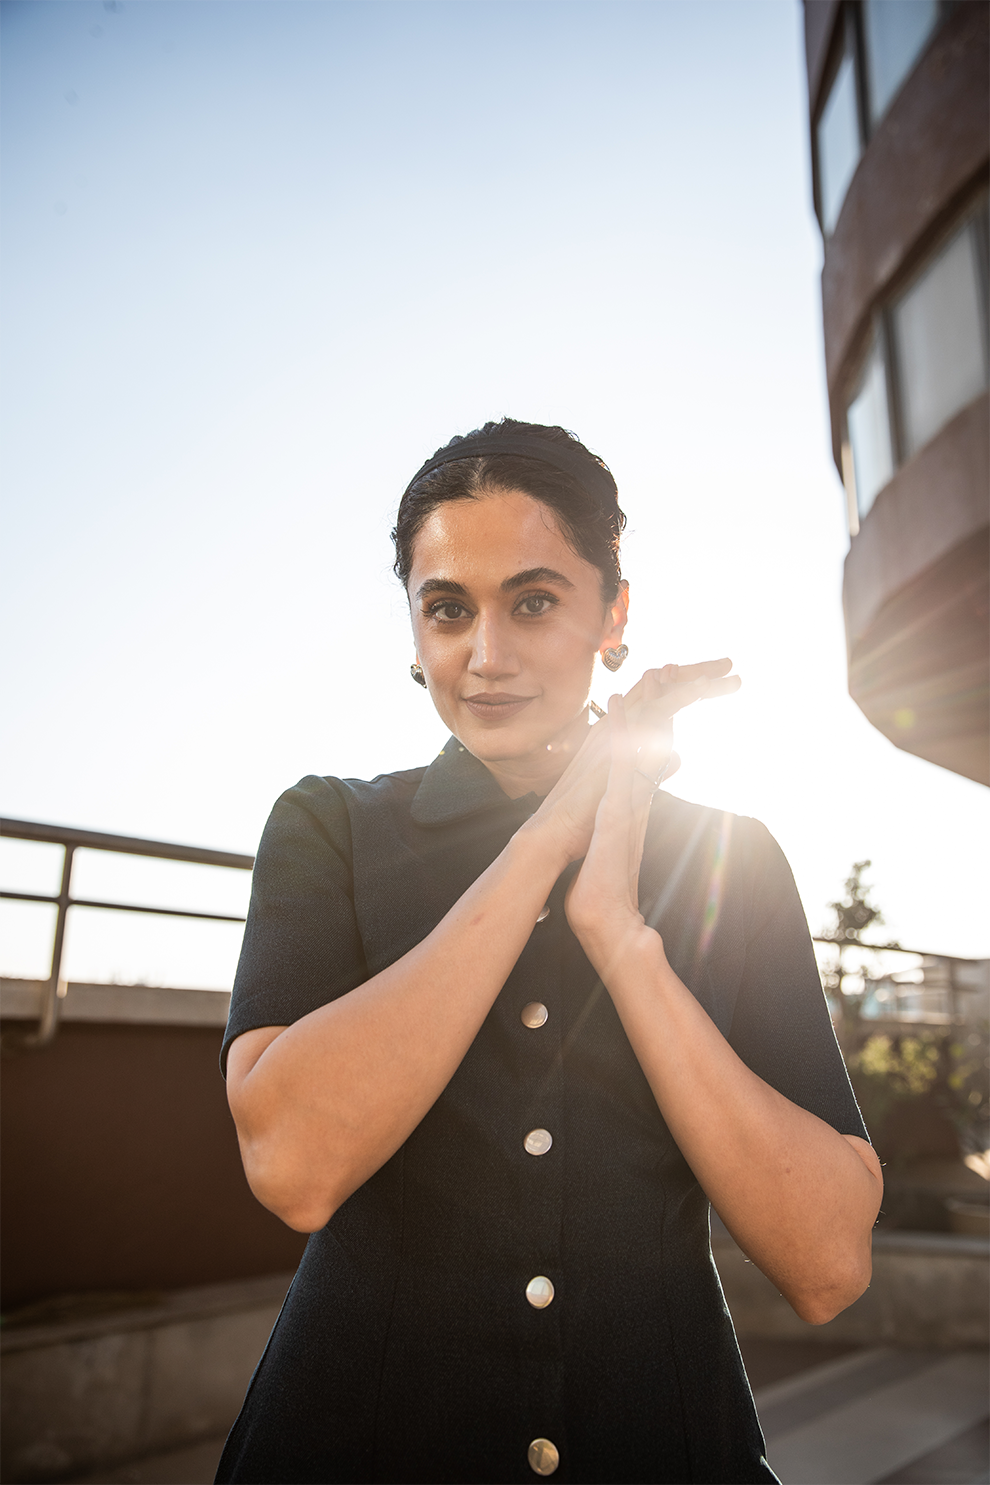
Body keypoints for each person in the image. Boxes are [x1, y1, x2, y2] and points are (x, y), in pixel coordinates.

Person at [216, 418, 882, 1485]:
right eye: (447, 610)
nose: (486, 657)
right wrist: (556, 834)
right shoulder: (328, 826)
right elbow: (293, 1169)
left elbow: (827, 1262)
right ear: (413, 632)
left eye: (534, 602)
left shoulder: (733, 860)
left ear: (614, 615)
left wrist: (621, 936)